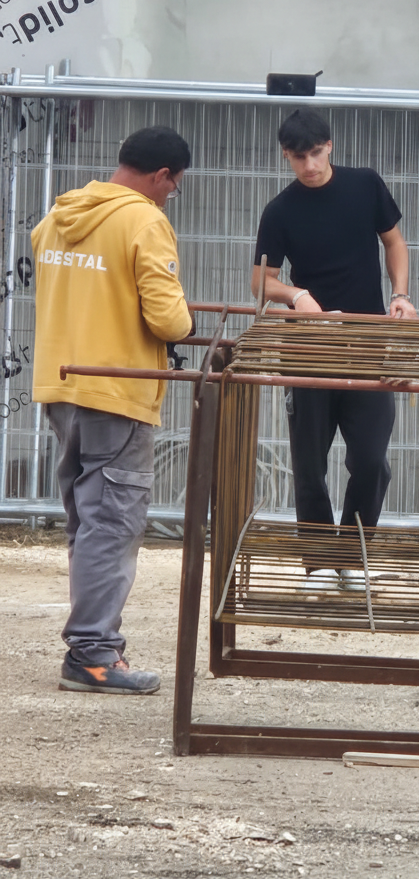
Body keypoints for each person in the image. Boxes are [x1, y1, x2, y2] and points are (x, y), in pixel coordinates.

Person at [31, 126, 194, 695]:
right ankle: (93, 653)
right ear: (162, 176)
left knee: (87, 517)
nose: (171, 195)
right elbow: (169, 319)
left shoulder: (58, 216)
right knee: (113, 520)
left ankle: (92, 643)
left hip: (62, 385)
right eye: (174, 185)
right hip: (117, 390)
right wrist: (187, 325)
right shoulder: (144, 220)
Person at [250, 107, 416, 591]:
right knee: (309, 460)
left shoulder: (366, 186)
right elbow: (261, 280)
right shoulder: (280, 210)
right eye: (299, 157)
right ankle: (320, 562)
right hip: (307, 347)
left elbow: (394, 242)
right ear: (286, 155)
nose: (309, 165)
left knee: (371, 458)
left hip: (368, 341)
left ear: (330, 147)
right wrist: (295, 295)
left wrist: (400, 295)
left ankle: (354, 555)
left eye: (316, 153)